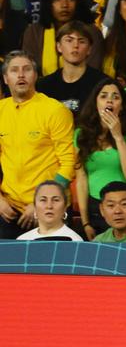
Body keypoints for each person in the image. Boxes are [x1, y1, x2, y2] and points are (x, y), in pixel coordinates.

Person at [0, 52, 76, 239]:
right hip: (8, 208)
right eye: (14, 70)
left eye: (27, 69)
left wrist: (40, 203)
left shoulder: (55, 110)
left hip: (49, 209)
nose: (21, 75)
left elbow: (68, 162)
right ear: (5, 78)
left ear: (35, 76)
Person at [73, 79, 126, 238]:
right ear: (96, 103)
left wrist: (117, 135)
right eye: (104, 96)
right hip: (95, 209)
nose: (109, 100)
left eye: (115, 97)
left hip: (124, 207)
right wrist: (86, 223)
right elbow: (82, 180)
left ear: (122, 105)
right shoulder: (81, 133)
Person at [22, 0, 98, 80]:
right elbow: (29, 70)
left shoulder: (91, 32)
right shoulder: (34, 32)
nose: (64, 5)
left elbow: (94, 71)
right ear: (48, 2)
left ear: (78, 1)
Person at [35, 22, 107, 115]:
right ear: (59, 46)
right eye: (69, 40)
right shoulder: (43, 86)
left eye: (81, 41)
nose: (75, 45)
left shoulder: (102, 84)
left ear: (89, 49)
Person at [16, 180, 82, 241]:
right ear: (35, 207)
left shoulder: (75, 241)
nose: (49, 206)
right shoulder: (22, 240)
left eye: (56, 200)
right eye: (43, 200)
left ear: (65, 207)